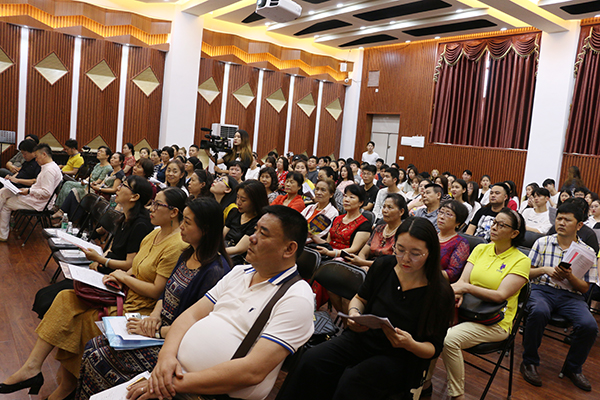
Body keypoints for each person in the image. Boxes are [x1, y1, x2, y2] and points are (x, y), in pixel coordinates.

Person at [0, 184, 188, 400]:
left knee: (80, 321)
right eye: (152, 203)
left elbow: (157, 291)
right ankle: (32, 367)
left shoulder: (176, 246)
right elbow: (135, 266)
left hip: (139, 305)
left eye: (157, 204)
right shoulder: (153, 235)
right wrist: (116, 275)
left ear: (173, 212)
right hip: (125, 291)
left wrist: (122, 276)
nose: (151, 208)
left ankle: (67, 385)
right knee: (65, 298)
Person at [123, 206, 314, 400]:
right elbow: (191, 315)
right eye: (255, 229)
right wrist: (166, 358)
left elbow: (253, 371)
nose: (252, 238)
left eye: (263, 234)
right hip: (176, 372)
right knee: (107, 355)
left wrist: (168, 384)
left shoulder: (296, 297)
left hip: (211, 393)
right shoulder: (240, 272)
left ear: (289, 249)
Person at [281, 217, 455, 400]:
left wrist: (409, 344)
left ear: (430, 253)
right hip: (362, 339)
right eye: (400, 249)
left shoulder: (440, 293)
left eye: (415, 254)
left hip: (399, 355)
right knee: (312, 360)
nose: (405, 259)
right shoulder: (384, 266)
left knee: (353, 383)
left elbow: (433, 348)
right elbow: (360, 298)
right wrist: (354, 313)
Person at [77, 198, 232, 400]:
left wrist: (156, 331)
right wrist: (155, 316)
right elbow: (164, 293)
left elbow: (196, 327)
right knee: (92, 346)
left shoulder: (215, 271)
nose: (181, 227)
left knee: (98, 359)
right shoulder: (188, 254)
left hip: (175, 344)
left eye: (187, 222)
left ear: (206, 229)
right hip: (158, 327)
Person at [439, 208, 530, 400]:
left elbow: (500, 295)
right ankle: (423, 383)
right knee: (431, 327)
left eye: (501, 225)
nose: (494, 227)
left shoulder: (521, 261)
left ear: (514, 233)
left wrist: (467, 289)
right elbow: (462, 281)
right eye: (494, 222)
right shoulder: (481, 248)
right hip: (467, 311)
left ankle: (457, 396)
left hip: (495, 321)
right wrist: (460, 290)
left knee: (449, 339)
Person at [520, 199, 598, 392]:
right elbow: (526, 273)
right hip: (542, 290)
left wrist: (570, 277)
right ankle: (529, 361)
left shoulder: (587, 252)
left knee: (589, 325)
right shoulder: (543, 242)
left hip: (571, 297)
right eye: (559, 219)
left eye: (567, 220)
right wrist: (544, 270)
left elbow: (585, 289)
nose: (561, 223)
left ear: (579, 225)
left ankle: (573, 368)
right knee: (539, 311)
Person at [82, 175, 155, 273]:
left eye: (123, 185)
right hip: (108, 266)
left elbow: (130, 264)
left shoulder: (141, 225)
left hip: (117, 275)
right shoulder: (125, 217)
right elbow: (112, 249)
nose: (118, 188)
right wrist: (99, 260)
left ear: (134, 197)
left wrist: (100, 260)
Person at [0, 143, 62, 241]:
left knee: (6, 204)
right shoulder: (50, 166)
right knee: (4, 192)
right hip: (36, 198)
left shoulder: (49, 170)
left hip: (39, 203)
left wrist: (29, 191)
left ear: (44, 154)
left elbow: (46, 193)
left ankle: (2, 235)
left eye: (37, 156)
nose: (36, 159)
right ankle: (2, 234)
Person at [345, 193, 407, 270]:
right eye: (384, 207)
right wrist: (363, 266)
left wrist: (363, 263)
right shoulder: (379, 229)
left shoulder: (403, 234)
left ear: (401, 212)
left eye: (390, 207)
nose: (385, 210)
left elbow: (392, 262)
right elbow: (363, 253)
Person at [52, 146, 113, 223]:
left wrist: (88, 183)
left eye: (101, 151)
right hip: (87, 183)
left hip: (92, 187)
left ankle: (61, 210)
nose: (98, 153)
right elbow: (90, 176)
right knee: (68, 184)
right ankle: (61, 209)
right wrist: (85, 180)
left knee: (69, 185)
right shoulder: (98, 165)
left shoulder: (108, 168)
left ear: (107, 156)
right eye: (98, 151)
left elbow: (98, 181)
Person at [224, 180, 269, 262]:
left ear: (255, 201)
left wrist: (216, 252)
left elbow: (239, 249)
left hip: (240, 259)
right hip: (226, 250)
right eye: (237, 197)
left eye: (243, 200)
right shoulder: (235, 213)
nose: (238, 202)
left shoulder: (259, 222)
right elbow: (222, 235)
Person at [436, 200, 470, 283]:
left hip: (440, 283)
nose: (441, 217)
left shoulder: (461, 243)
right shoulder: (431, 235)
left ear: (458, 222)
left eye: (448, 214)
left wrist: (425, 271)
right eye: (441, 212)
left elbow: (452, 275)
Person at [302, 178, 339, 243]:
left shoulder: (333, 212)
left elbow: (320, 234)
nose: (318, 193)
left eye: (323, 190)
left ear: (331, 194)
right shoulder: (310, 208)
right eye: (317, 189)